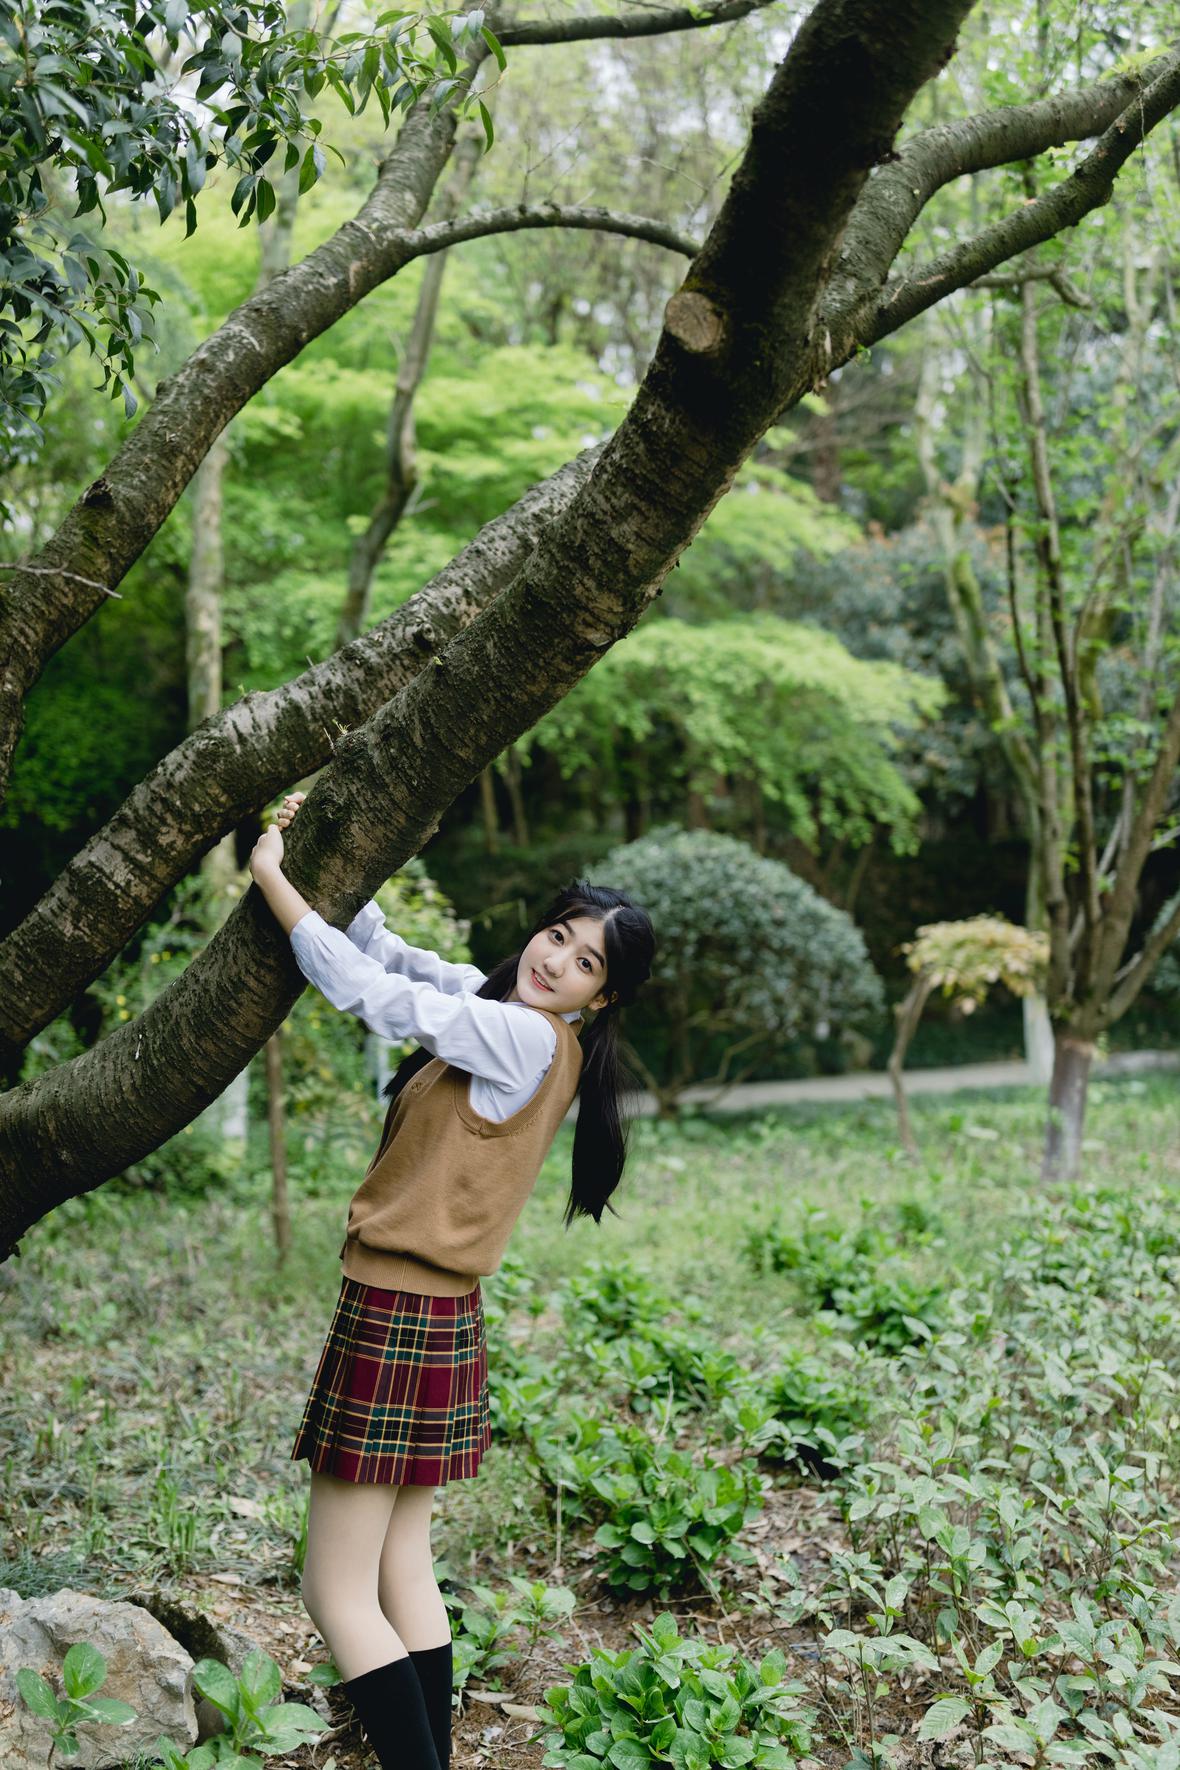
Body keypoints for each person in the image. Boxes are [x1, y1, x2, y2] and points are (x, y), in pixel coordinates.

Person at [248, 792, 655, 1770]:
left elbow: (375, 997)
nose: (557, 959)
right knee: (400, 1566)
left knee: (333, 1592)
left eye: (586, 962)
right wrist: (322, 851)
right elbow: (396, 958)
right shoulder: (508, 1014)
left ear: (600, 998)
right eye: (558, 935)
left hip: (400, 1312)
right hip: (436, 1314)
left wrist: (269, 880)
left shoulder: (522, 1039)